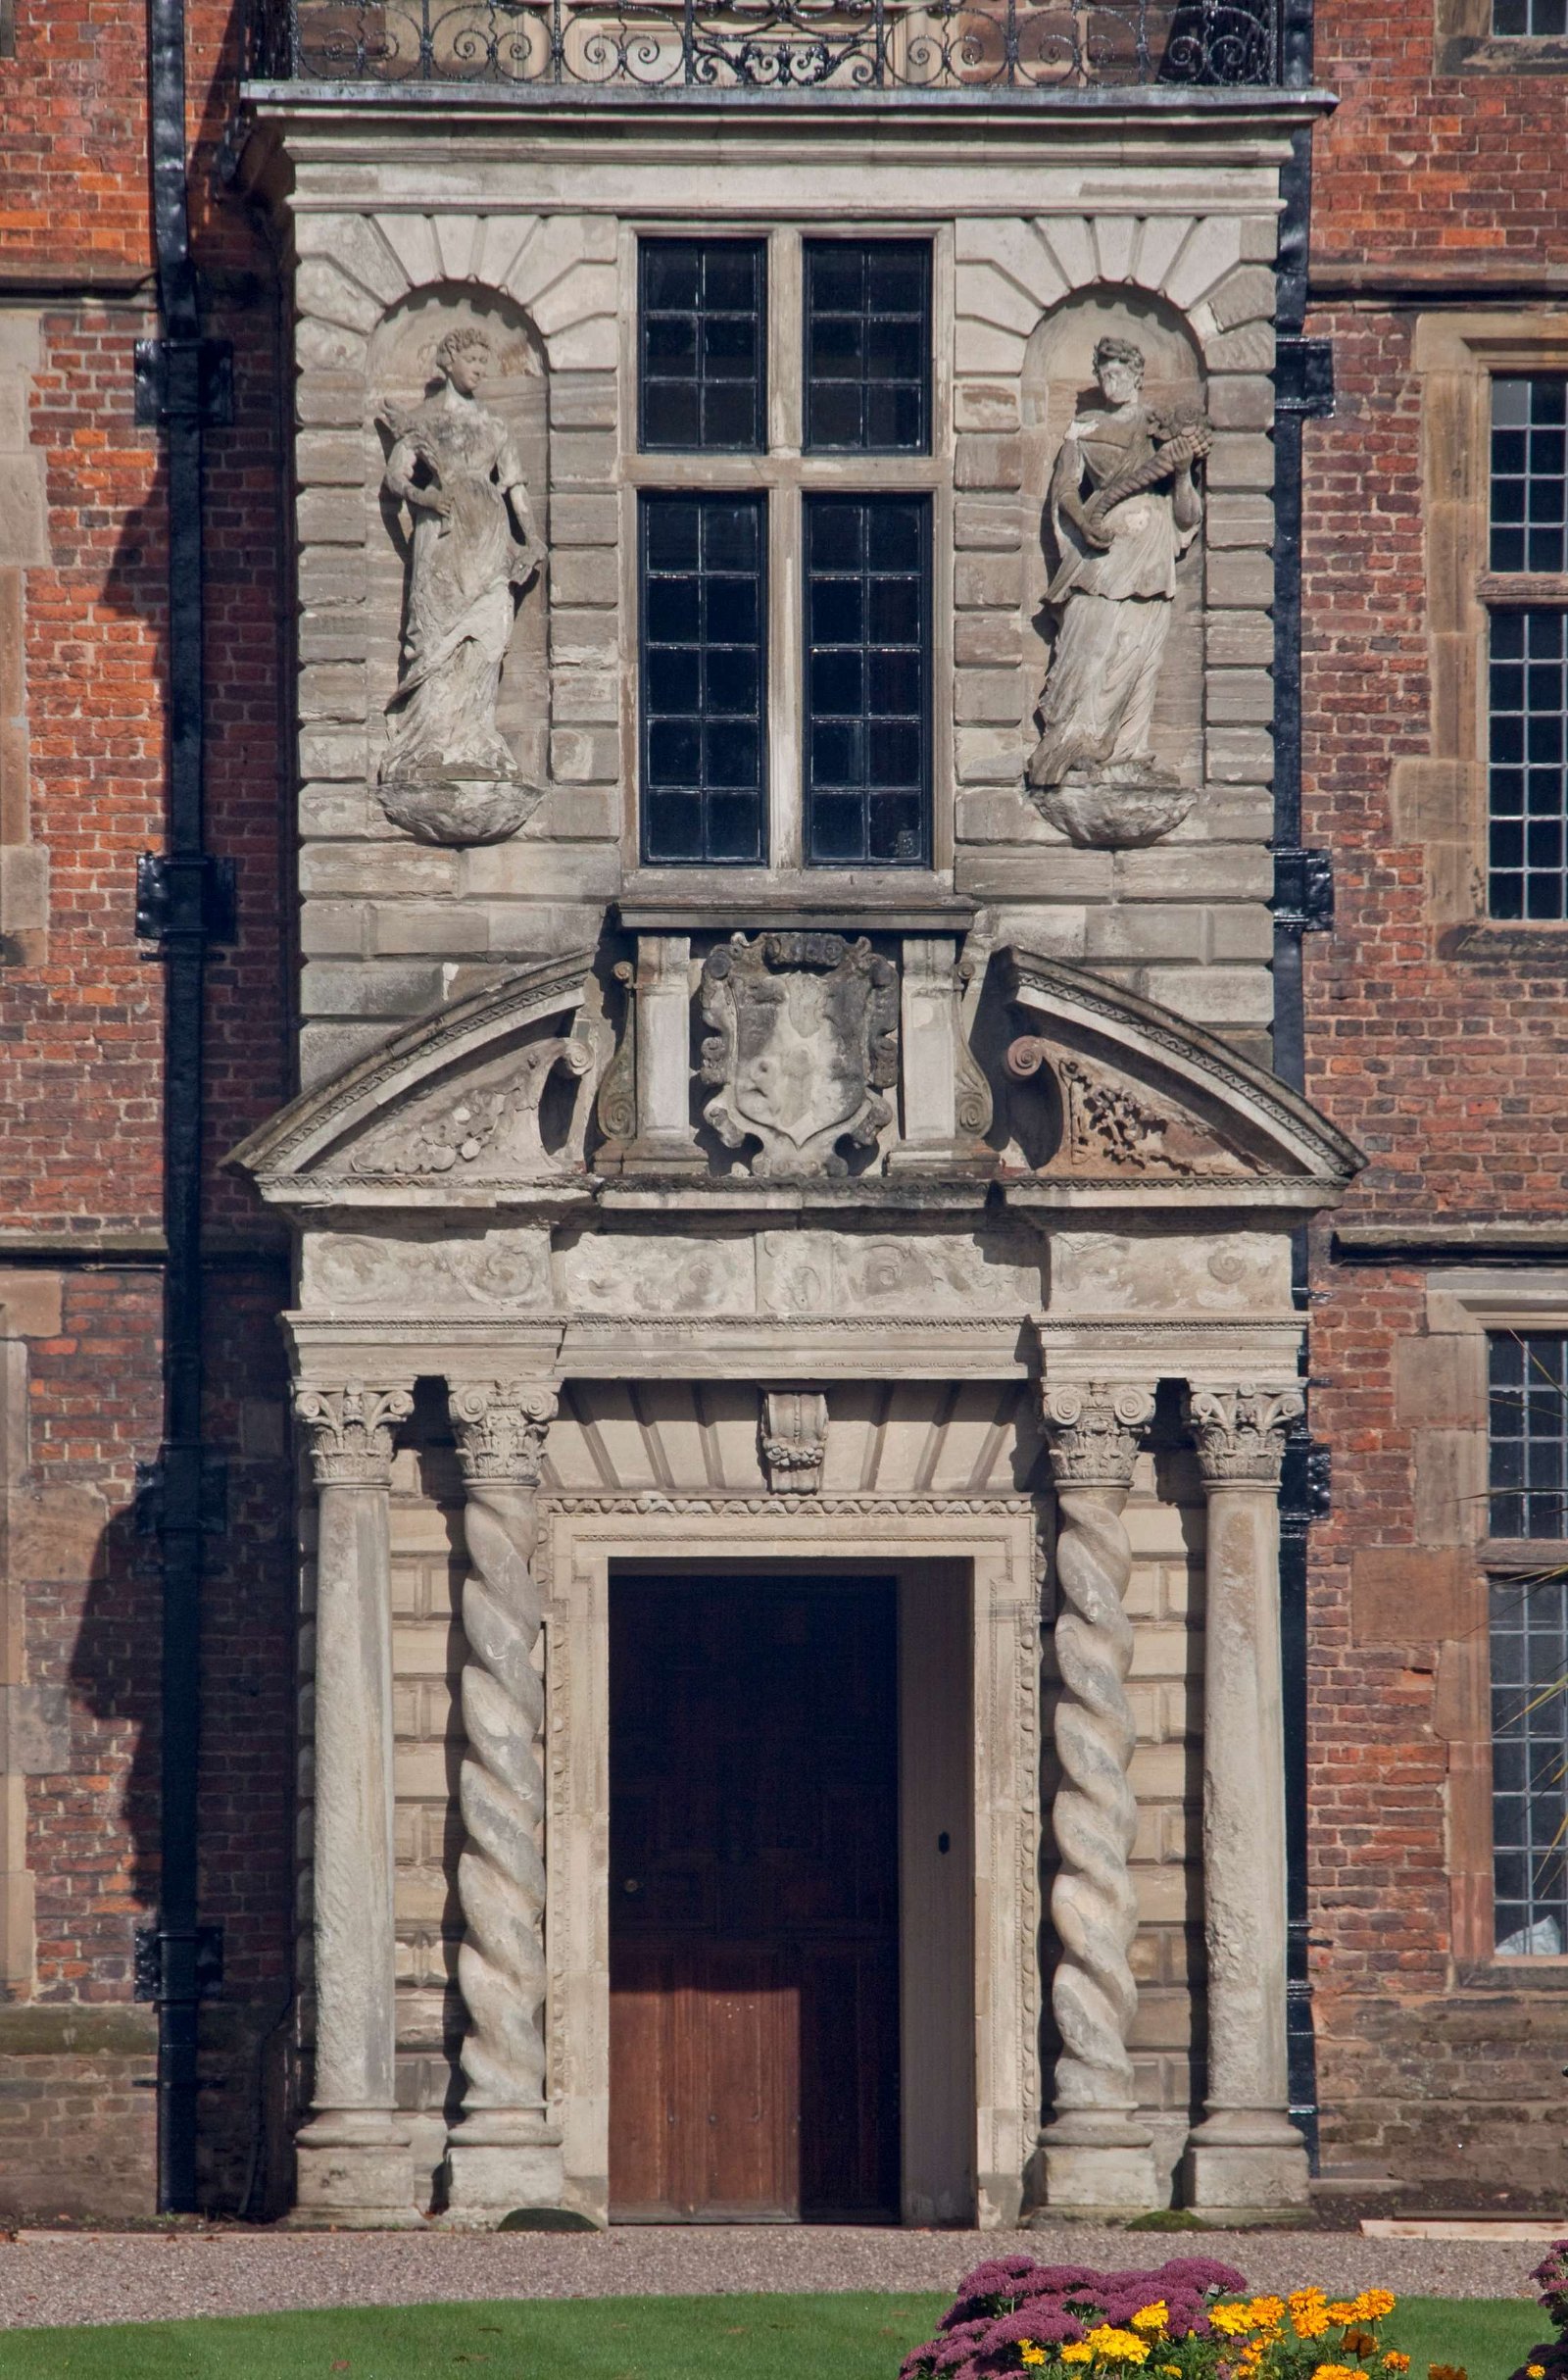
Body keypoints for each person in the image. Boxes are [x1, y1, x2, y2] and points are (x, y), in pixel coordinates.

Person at [1028, 334, 1208, 794]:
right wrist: (1079, 520)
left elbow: (1188, 513)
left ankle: (1127, 751)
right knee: (1084, 644)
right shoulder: (1084, 427)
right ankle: (1072, 741)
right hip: (1101, 547)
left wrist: (1183, 471)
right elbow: (1065, 488)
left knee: (1138, 648)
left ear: (1136, 374)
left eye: (1118, 372)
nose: (1110, 381)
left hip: (1149, 545)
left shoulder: (1158, 429)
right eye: (1103, 373)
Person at [379, 326, 541, 788]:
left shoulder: (494, 424)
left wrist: (530, 538)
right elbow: (396, 478)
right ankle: (430, 741)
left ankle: (474, 735)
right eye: (472, 358)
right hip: (444, 536)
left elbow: (515, 485)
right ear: (448, 361)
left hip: (489, 535)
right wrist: (425, 499)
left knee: (489, 633)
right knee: (437, 635)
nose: (480, 368)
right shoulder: (424, 419)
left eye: (484, 361)